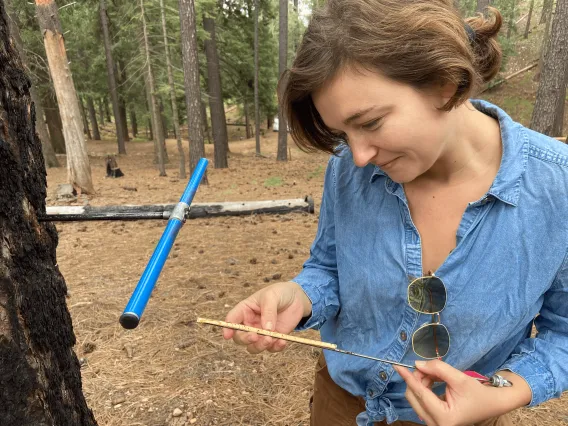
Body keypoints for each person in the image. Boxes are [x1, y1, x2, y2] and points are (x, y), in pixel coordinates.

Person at [223, 1, 568, 425]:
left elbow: (564, 333)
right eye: (343, 133)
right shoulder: (347, 167)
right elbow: (330, 267)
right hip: (341, 405)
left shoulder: (557, 187)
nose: (360, 155)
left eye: (369, 122)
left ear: (444, 81)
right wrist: (299, 295)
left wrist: (499, 394)